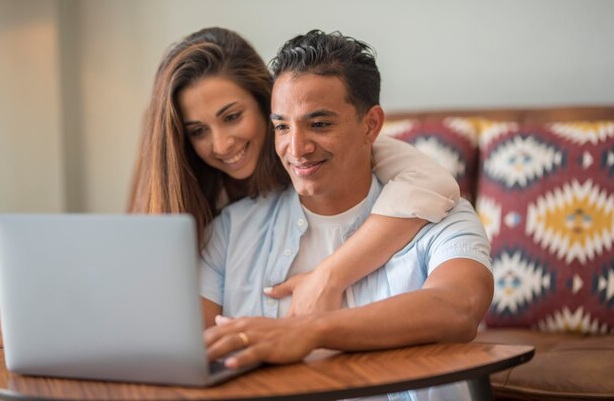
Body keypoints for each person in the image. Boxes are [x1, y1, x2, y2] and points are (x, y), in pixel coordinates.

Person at [200, 30, 493, 401]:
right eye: (281, 126)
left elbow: (459, 307)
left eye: (320, 124)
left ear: (371, 125)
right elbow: (186, 353)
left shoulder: (441, 218)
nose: (297, 148)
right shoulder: (230, 231)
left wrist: (310, 330)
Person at [129, 27, 461, 319]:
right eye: (198, 131)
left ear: (266, 104)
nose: (221, 144)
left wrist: (328, 276)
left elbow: (434, 184)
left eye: (232, 117)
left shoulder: (357, 150)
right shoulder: (210, 210)